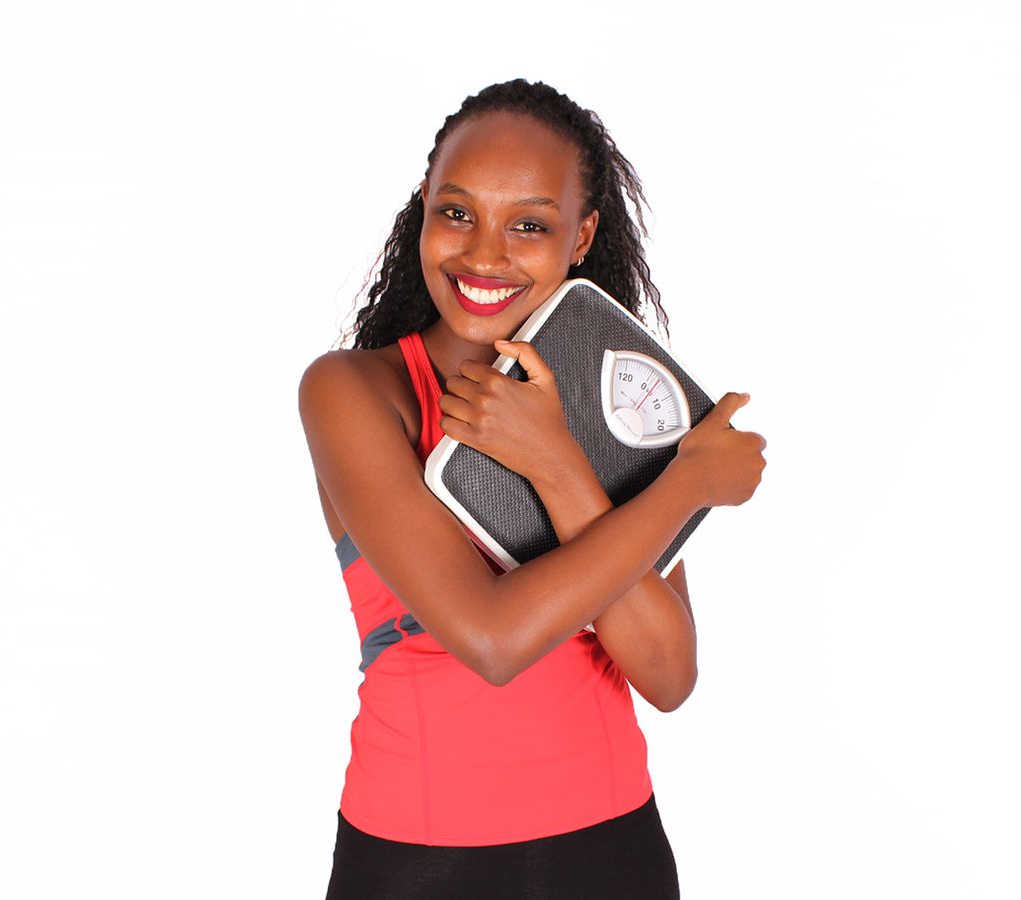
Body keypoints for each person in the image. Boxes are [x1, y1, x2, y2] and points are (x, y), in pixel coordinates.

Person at [299, 79, 767, 899]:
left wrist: (558, 461)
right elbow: (491, 641)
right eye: (456, 213)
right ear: (422, 208)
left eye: (529, 225)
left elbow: (666, 673)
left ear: (580, 235)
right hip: (421, 860)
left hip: (615, 850)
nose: (484, 255)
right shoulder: (354, 393)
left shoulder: (610, 405)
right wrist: (686, 484)